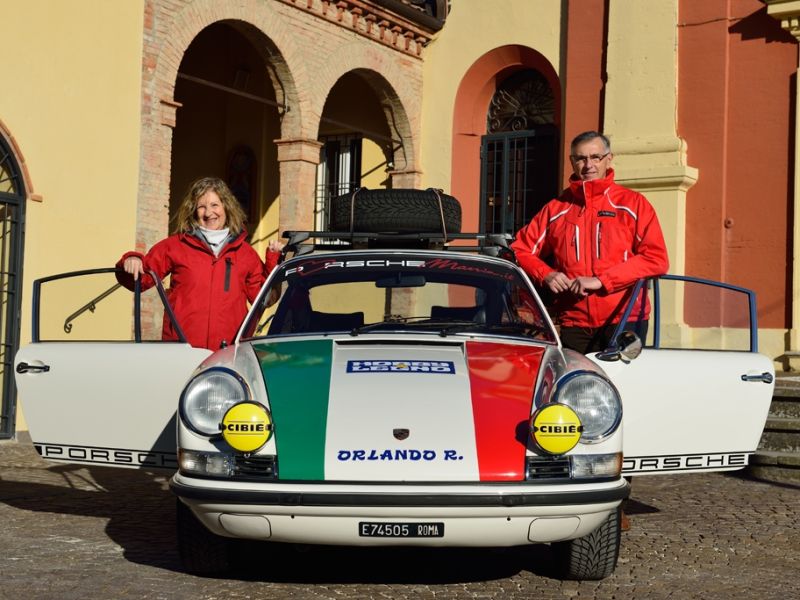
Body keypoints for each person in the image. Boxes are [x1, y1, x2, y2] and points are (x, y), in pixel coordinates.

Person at [511, 130, 669, 354]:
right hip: (574, 322)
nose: (589, 165)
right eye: (581, 158)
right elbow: (519, 249)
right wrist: (546, 274)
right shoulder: (556, 208)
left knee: (624, 387)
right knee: (578, 387)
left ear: (608, 159)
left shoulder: (633, 204)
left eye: (596, 157)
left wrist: (601, 281)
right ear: (572, 162)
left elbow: (656, 259)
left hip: (625, 319)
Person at [116, 177, 283, 351]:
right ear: (193, 211)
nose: (208, 213)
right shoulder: (175, 246)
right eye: (201, 206)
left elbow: (263, 299)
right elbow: (141, 280)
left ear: (226, 207)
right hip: (182, 349)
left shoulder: (245, 253)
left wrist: (272, 262)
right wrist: (131, 260)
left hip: (228, 353)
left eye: (214, 205)